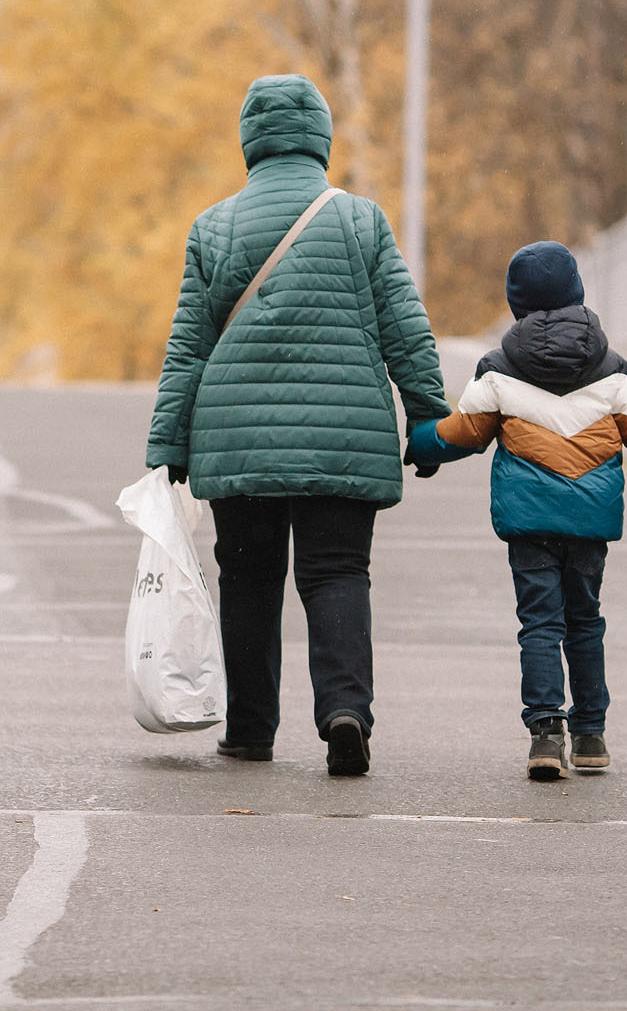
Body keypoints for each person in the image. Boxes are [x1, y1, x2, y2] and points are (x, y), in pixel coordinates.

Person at [147, 74, 448, 777]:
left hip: (238, 439)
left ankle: (251, 730)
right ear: (321, 138)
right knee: (337, 572)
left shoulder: (214, 226)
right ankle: (344, 712)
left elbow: (189, 347)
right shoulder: (360, 220)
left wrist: (168, 443)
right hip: (343, 436)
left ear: (250, 141)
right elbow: (406, 326)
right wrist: (428, 416)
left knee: (248, 581)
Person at [405, 241, 627, 781]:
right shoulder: (613, 370)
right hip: (590, 523)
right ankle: (591, 733)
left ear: (516, 302)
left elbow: (461, 434)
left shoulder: (498, 369)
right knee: (584, 620)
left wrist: (419, 443)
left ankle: (546, 733)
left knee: (539, 622)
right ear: (577, 293)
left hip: (529, 524)